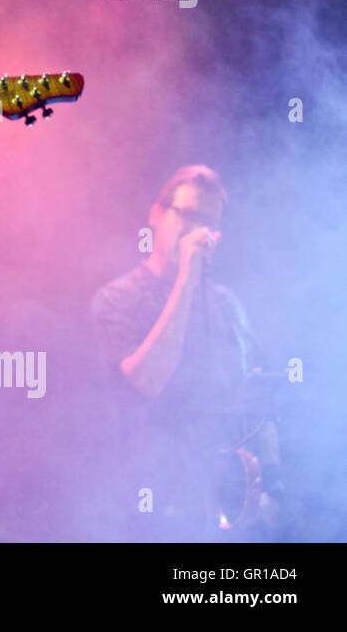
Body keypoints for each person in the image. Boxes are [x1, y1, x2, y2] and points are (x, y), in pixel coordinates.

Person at [91, 164, 282, 540]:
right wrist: (186, 280)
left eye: (209, 221)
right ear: (157, 215)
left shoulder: (229, 306)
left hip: (224, 507)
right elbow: (146, 382)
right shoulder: (117, 298)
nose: (198, 231)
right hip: (148, 506)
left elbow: (260, 400)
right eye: (188, 215)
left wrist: (271, 487)